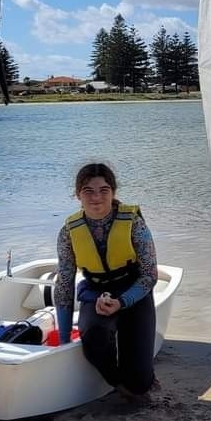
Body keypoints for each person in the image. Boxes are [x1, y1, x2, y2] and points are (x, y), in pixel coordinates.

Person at [54, 162, 159, 401]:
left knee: (140, 384)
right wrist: (62, 340)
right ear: (78, 195)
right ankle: (116, 381)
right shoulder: (68, 232)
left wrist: (122, 302)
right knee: (94, 338)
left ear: (113, 192)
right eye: (88, 191)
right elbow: (64, 284)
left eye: (103, 190)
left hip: (133, 291)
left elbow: (150, 275)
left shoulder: (134, 224)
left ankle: (138, 379)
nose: (96, 197)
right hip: (96, 292)